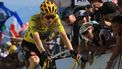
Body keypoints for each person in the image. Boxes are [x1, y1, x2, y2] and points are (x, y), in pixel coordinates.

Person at [21, 0, 77, 69]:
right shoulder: (34, 20)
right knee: (35, 61)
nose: (50, 20)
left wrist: (71, 50)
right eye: (48, 17)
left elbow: (63, 35)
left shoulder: (56, 19)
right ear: (42, 15)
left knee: (49, 65)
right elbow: (36, 38)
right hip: (28, 44)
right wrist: (43, 52)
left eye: (52, 17)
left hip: (41, 44)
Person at [106, 0, 122, 69]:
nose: (114, 29)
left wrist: (110, 60)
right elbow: (118, 46)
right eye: (112, 27)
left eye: (116, 26)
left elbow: (118, 47)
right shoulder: (119, 34)